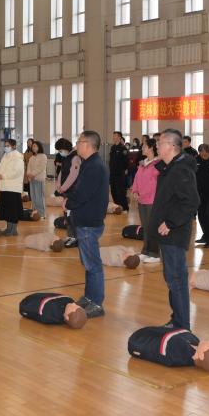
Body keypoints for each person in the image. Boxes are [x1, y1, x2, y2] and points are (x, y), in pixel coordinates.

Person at [150, 129, 201, 329]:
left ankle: (182, 325)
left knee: (177, 280)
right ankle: (177, 319)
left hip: (174, 233)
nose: (156, 146)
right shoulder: (169, 168)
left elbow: (191, 202)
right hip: (166, 233)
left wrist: (170, 222)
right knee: (171, 278)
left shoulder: (180, 170)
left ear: (172, 146)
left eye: (160, 143)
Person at [65, 131, 110, 318]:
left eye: (79, 141)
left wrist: (68, 202)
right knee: (88, 263)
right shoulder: (89, 164)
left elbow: (83, 193)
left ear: (87, 144)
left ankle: (96, 303)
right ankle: (89, 297)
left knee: (93, 264)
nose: (76, 145)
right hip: (86, 220)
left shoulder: (94, 167)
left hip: (89, 221)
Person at [130, 137, 160, 263]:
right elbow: (137, 179)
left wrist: (144, 193)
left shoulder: (158, 164)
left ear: (151, 148)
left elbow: (156, 184)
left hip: (152, 200)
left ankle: (155, 254)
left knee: (153, 227)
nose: (142, 148)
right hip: (141, 200)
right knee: (146, 227)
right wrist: (135, 191)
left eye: (144, 146)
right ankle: (146, 251)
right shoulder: (142, 164)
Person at [0, 138, 26, 236]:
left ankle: (13, 230)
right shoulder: (5, 156)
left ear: (14, 146)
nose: (6, 147)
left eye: (8, 146)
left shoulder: (18, 157)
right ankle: (8, 228)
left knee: (13, 210)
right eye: (5, 146)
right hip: (4, 187)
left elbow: (16, 172)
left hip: (13, 188)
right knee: (7, 209)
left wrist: (3, 176)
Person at [26, 140, 48, 220]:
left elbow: (41, 168)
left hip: (39, 179)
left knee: (39, 197)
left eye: (35, 146)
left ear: (39, 147)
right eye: (33, 146)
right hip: (32, 179)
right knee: (33, 197)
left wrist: (32, 174)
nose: (33, 147)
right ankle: (35, 213)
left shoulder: (43, 156)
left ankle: (42, 214)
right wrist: (29, 174)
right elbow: (28, 167)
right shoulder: (32, 157)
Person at [109, 131, 129, 212]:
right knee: (113, 191)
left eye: (115, 136)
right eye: (113, 136)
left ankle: (125, 207)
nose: (113, 137)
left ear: (119, 137)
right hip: (112, 172)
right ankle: (117, 207)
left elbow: (126, 161)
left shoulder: (123, 148)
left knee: (120, 191)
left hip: (120, 173)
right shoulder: (113, 147)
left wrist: (124, 170)